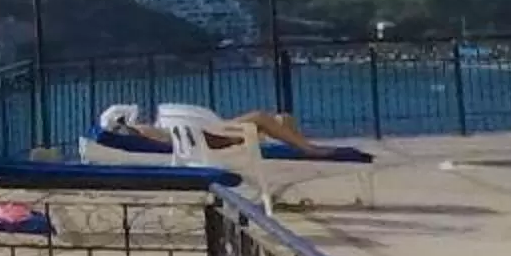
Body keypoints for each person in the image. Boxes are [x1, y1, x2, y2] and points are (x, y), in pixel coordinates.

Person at [94, 100, 359, 158]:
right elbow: (171, 140)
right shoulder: (140, 130)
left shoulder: (140, 131)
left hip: (206, 136)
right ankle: (310, 150)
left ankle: (302, 148)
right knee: (261, 117)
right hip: (208, 140)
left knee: (280, 119)